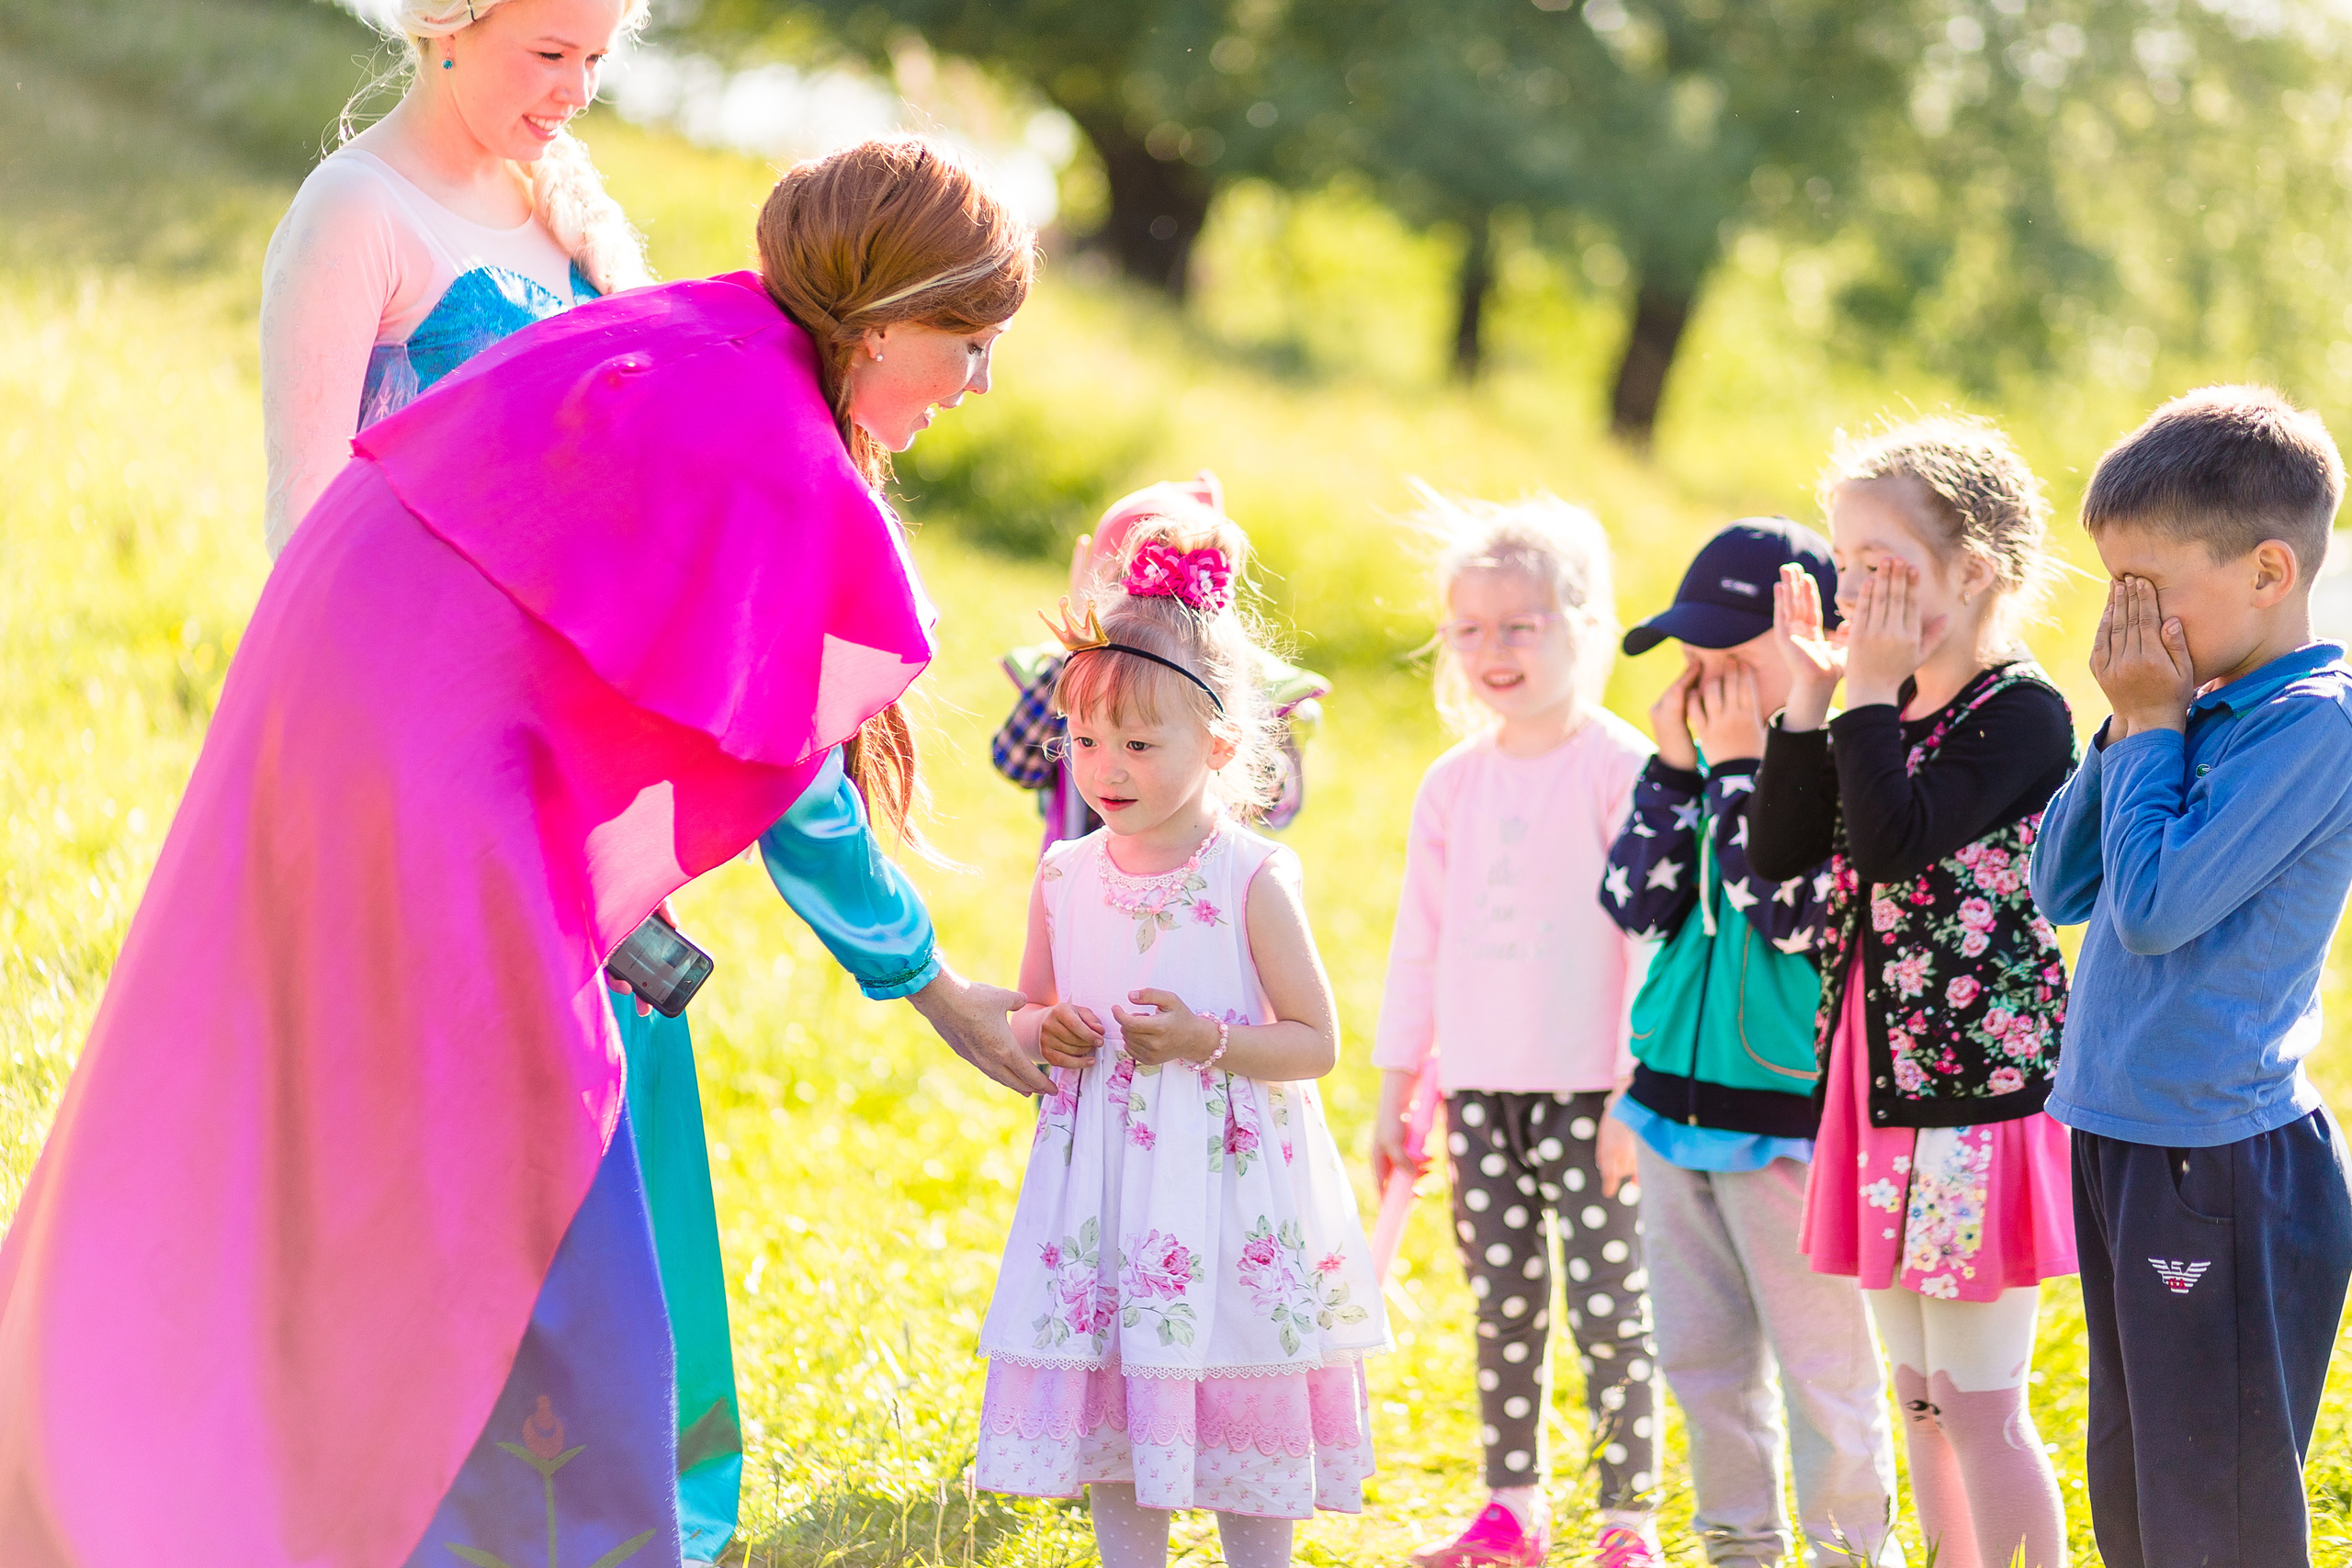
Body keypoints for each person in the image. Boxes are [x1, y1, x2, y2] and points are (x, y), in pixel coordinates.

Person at [0, 137, 1049, 1568]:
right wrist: (931, 984)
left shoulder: (704, 331)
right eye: (969, 343)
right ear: (882, 322)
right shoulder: (769, 442)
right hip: (414, 752)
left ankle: (191, 1464)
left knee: (313, 1120)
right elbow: (789, 771)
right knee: (529, 1147)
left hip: (342, 703)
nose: (976, 384)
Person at [254, 13, 957, 1552]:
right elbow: (307, 546)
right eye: (546, 55)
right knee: (449, 1191)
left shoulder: (572, 205)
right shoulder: (356, 217)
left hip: (577, 808)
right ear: (447, 24)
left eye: (595, 61)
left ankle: (607, 1511)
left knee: (610, 1190)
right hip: (426, 778)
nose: (572, 95)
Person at [972, 505, 1386, 1567]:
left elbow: (1314, 1043)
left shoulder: (1248, 875)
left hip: (1226, 1178)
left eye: (1140, 743)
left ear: (1219, 743)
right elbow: (1025, 1009)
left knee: (1237, 1376)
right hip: (1106, 1182)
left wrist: (1206, 1040)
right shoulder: (1066, 872)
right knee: (1117, 1404)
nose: (1104, 765)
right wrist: (1043, 1027)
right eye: (1085, 738)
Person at [2028, 386, 2352, 1568]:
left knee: (2211, 1488)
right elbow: (2058, 884)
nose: (2128, 626)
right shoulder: (2186, 706)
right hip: (2119, 1127)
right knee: (2133, 1461)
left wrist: (2155, 725)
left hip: (2215, 1152)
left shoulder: (2316, 729)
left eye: (2147, 593)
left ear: (2268, 572)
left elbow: (2156, 911)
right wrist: (2124, 729)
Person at [1748, 419, 2075, 1568]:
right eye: (1846, 565)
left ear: (1973, 570)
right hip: (1877, 1095)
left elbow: (1892, 843)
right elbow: (1782, 851)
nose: (1856, 591)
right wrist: (1811, 696)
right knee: (1919, 1398)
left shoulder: (2021, 714)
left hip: (1974, 1109)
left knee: (1981, 1404)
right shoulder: (1874, 712)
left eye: (1884, 565)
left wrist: (1865, 701)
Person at [1602, 519, 1906, 1568]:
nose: (1707, 675)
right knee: (1698, 1355)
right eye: (1694, 657)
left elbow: (1778, 908)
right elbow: (1630, 904)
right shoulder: (1697, 764)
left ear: (1809, 639)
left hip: (1783, 1123)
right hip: (1668, 1109)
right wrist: (1674, 772)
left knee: (1821, 1364)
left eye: (1735, 654)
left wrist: (1738, 769)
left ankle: (1847, 1552)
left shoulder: (1835, 761)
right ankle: (1739, 1546)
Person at [1368, 494, 1658, 1568]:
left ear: (1583, 624)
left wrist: (1639, 1090)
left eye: (1520, 625)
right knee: (1504, 1307)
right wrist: (1394, 1085)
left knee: (1611, 1312)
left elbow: (1648, 949)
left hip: (1598, 1098)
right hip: (1479, 1093)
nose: (1493, 650)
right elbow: (1418, 947)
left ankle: (1626, 1519)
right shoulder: (1451, 785)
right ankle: (1510, 1507)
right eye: (1471, 629)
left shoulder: (1621, 770)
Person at [991, 472, 1328, 855]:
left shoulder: (1232, 679)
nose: (1142, 610)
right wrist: (1079, 657)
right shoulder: (1076, 669)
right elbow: (1016, 761)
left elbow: (1278, 805)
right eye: (1120, 581)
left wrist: (1234, 714)